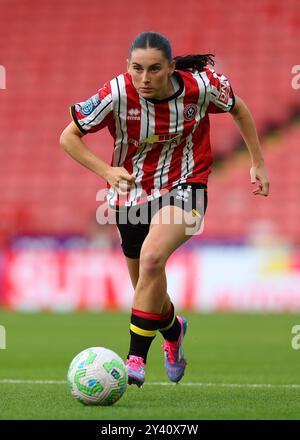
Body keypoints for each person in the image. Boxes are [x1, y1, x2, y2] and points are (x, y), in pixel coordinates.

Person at [60, 31, 270, 388]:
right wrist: (108, 171)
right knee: (148, 290)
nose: (145, 78)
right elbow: (68, 137)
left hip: (186, 186)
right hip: (130, 194)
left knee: (152, 258)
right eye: (137, 69)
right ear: (128, 67)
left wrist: (258, 162)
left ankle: (135, 359)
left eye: (155, 69)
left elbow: (239, 108)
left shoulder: (202, 87)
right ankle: (174, 333)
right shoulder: (116, 93)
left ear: (171, 67)